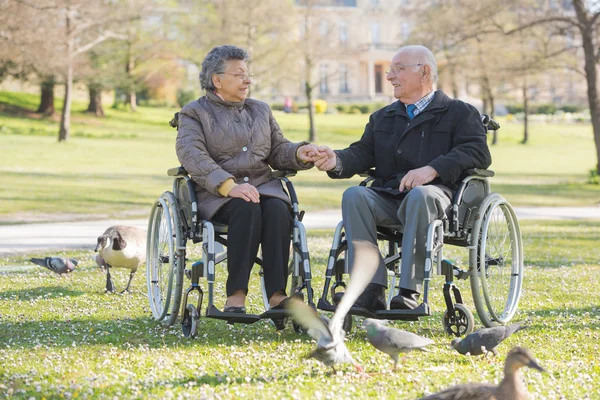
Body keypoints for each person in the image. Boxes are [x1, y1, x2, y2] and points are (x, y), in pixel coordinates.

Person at [312, 45, 492, 313]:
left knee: (422, 194)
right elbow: (363, 152)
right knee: (355, 195)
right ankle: (370, 289)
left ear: (425, 72)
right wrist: (336, 159)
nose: (389, 76)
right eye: (390, 70)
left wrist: (433, 169)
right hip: (391, 196)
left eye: (398, 69)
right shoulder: (383, 116)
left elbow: (477, 152)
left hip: (439, 198)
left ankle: (409, 291)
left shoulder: (459, 112)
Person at [175, 45, 320, 322]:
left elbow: (277, 150)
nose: (248, 80)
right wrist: (230, 186)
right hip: (218, 194)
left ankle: (277, 295)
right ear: (217, 80)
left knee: (278, 209)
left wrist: (299, 153)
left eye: (248, 74)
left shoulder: (260, 110)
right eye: (239, 74)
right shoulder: (194, 113)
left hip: (263, 187)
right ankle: (236, 295)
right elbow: (192, 155)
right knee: (246, 207)